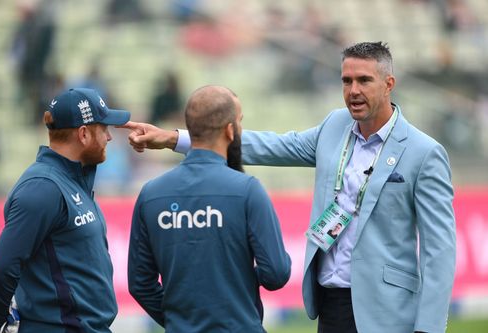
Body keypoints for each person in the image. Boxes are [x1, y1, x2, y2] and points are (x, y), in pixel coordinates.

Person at [120, 42, 456, 333]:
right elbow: (274, 146)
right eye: (347, 80)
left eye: (364, 80)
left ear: (389, 84)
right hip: (332, 302)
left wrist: (428, 327)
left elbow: (439, 250)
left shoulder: (423, 152)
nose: (353, 90)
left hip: (388, 309)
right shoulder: (335, 125)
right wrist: (174, 138)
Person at [125, 85, 291, 332]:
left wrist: (178, 318)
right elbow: (276, 273)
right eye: (240, 122)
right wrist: (237, 281)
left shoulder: (151, 194)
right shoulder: (248, 190)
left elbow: (140, 284)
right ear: (230, 130)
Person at [0, 88, 130, 333]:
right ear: (83, 134)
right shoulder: (42, 188)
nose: (109, 137)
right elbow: (2, 268)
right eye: (104, 128)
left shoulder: (71, 181)